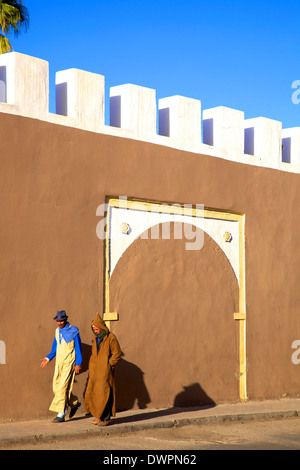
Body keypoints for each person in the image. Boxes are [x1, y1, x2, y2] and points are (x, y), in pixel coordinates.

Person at [40, 310, 82, 423]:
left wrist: (78, 363)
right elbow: (55, 348)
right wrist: (48, 358)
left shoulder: (74, 331)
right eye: (58, 321)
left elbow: (78, 348)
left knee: (62, 387)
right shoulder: (57, 331)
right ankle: (74, 404)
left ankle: (61, 414)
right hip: (59, 362)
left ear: (65, 319)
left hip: (69, 362)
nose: (60, 323)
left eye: (61, 320)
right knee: (56, 387)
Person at [84, 313, 121, 426]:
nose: (95, 331)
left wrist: (109, 364)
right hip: (95, 372)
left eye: (96, 328)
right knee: (95, 394)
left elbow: (116, 353)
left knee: (106, 394)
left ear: (101, 327)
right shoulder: (96, 338)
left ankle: (106, 418)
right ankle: (98, 416)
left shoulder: (111, 337)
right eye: (93, 329)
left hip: (105, 371)